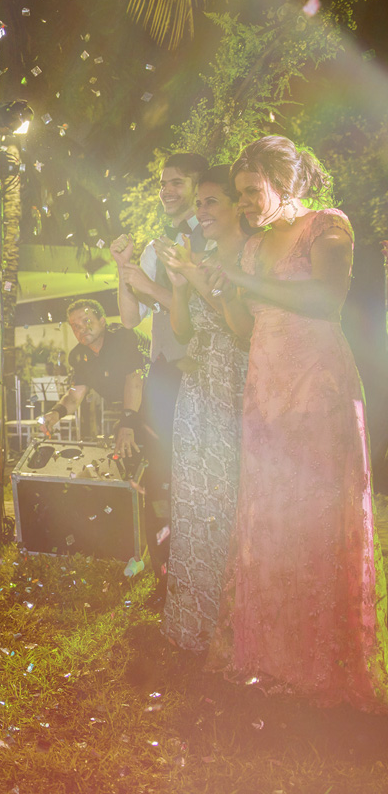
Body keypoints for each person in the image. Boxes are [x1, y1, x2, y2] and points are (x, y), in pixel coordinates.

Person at [206, 136, 388, 711]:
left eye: (251, 191)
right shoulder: (253, 248)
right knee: (272, 523)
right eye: (238, 195)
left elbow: (327, 299)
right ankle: (272, 660)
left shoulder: (327, 226)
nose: (244, 204)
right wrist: (211, 289)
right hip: (265, 390)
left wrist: (246, 282)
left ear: (285, 183)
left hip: (318, 389)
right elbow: (242, 328)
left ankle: (324, 670)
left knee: (315, 521)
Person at [154, 166, 250, 651]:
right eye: (200, 203)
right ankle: (198, 620)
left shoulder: (251, 257)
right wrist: (178, 286)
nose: (201, 211)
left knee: (234, 496)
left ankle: (240, 621)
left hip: (237, 384)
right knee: (197, 501)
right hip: (197, 387)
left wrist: (194, 273)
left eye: (212, 202)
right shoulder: (203, 257)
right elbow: (186, 330)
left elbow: (242, 328)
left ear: (238, 206)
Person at [112, 152, 208, 592]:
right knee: (161, 478)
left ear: (198, 186)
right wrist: (122, 267)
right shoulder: (154, 246)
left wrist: (151, 287)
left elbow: (211, 313)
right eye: (164, 183)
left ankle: (205, 568)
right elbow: (131, 318)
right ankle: (167, 573)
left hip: (206, 375)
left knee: (201, 477)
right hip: (164, 378)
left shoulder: (214, 238)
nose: (168, 190)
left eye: (178, 182)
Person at [41, 299, 148, 459]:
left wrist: (127, 425)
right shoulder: (79, 356)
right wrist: (56, 413)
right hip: (130, 413)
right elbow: (74, 395)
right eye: (75, 326)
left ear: (102, 321)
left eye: (86, 321)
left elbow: (135, 381)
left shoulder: (123, 337)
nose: (82, 329)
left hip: (160, 407)